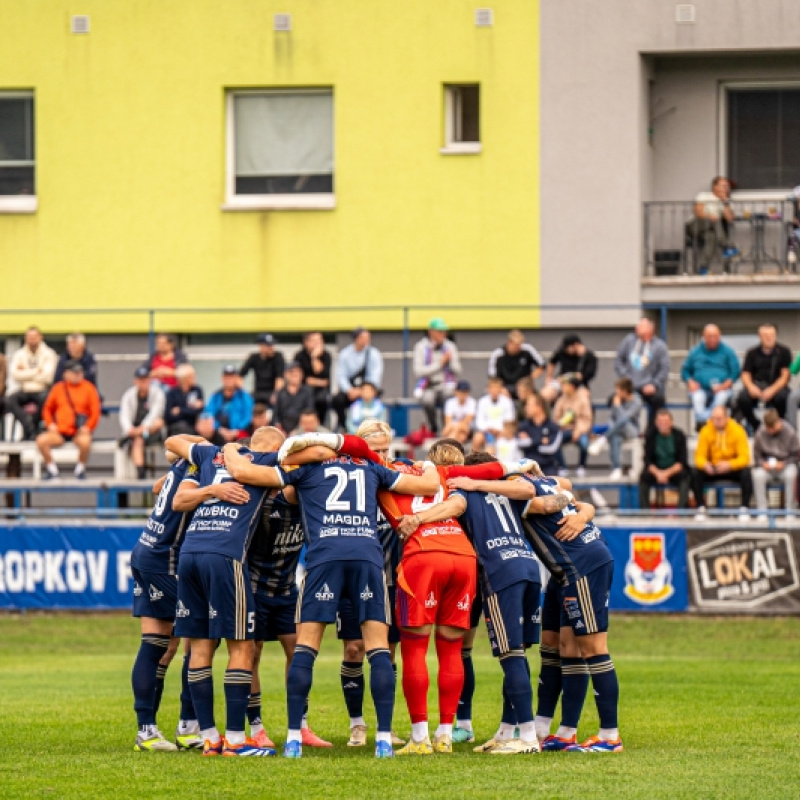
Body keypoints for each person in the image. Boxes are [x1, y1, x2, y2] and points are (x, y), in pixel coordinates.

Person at [222, 431, 442, 759]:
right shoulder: (371, 467)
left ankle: (294, 737)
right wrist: (427, 465)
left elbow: (246, 473)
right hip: (368, 557)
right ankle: (383, 739)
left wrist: (228, 448)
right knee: (379, 650)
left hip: (325, 556)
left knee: (306, 647)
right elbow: (428, 486)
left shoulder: (307, 468)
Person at [396, 455, 577, 756]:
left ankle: (528, 737)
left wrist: (419, 517)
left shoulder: (465, 490)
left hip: (500, 570)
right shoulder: (508, 492)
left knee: (510, 654)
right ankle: (507, 730)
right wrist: (577, 504)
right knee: (518, 652)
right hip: (530, 568)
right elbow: (547, 500)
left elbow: (454, 507)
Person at [444, 471, 622, 754]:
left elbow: (541, 497)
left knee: (593, 647)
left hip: (582, 565)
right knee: (561, 646)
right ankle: (562, 732)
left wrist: (474, 484)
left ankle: (610, 735)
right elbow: (573, 495)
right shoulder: (545, 483)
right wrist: (582, 510)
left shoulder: (520, 490)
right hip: (561, 573)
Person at [167, 428, 288, 757]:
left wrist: (216, 455)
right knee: (242, 648)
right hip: (225, 556)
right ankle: (235, 741)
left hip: (190, 555)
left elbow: (172, 443)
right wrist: (220, 483)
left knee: (200, 647)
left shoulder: (209, 456)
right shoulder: (269, 461)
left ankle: (210, 738)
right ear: (275, 447)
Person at [130, 452, 204, 752]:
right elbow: (176, 500)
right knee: (198, 637)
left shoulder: (184, 464)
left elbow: (157, 487)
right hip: (165, 561)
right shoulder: (204, 467)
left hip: (145, 551)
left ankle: (147, 730)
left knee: (161, 642)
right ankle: (188, 726)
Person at [36, 361, 101, 479]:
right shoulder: (58, 388)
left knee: (86, 442)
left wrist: (88, 427)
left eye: (80, 372)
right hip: (60, 431)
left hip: (79, 431)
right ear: (66, 374)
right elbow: (47, 409)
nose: (78, 374)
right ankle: (52, 470)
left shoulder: (89, 388)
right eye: (74, 372)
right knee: (41, 440)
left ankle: (80, 469)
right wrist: (50, 424)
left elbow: (95, 412)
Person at [692, 405, 753, 521]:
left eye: (719, 418)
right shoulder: (706, 430)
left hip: (732, 467)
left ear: (726, 417)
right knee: (695, 472)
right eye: (713, 418)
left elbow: (745, 458)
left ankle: (744, 508)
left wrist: (730, 464)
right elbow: (699, 456)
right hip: (713, 468)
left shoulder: (738, 430)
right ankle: (700, 507)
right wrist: (705, 464)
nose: (716, 421)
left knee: (747, 472)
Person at [681, 324, 740, 429]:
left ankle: (704, 423)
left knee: (721, 399)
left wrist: (725, 385)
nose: (713, 339)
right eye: (709, 336)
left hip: (722, 388)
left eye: (715, 336)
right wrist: (690, 382)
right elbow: (685, 370)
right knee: (697, 398)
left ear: (719, 336)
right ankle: (708, 423)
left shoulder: (728, 351)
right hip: (700, 388)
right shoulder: (695, 352)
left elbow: (735, 372)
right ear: (703, 336)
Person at [735, 324, 792, 432]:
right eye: (765, 335)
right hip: (756, 385)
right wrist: (751, 387)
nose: (769, 337)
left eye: (772, 335)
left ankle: (778, 426)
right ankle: (756, 426)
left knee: (783, 397)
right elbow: (745, 374)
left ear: (776, 336)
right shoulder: (751, 353)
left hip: (777, 386)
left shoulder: (784, 352)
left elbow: (785, 376)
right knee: (742, 398)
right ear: (759, 337)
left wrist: (772, 390)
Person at [6, 326, 57, 440]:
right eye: (29, 337)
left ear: (40, 337)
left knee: (47, 399)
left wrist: (25, 372)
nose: (32, 339)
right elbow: (15, 375)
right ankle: (31, 429)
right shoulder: (19, 354)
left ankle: (30, 431)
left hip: (41, 389)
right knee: (9, 400)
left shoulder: (49, 353)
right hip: (25, 390)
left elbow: (48, 378)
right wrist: (37, 371)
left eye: (34, 336)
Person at [614, 318, 669, 424]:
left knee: (658, 400)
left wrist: (654, 384)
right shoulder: (629, 340)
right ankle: (628, 430)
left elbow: (664, 368)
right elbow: (618, 361)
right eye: (637, 326)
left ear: (650, 329)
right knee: (614, 399)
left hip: (649, 386)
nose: (637, 328)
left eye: (641, 326)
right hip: (629, 386)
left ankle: (651, 433)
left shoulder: (660, 346)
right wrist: (625, 378)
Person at [413, 318, 461, 433]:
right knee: (428, 400)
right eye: (440, 331)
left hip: (446, 383)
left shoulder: (450, 346)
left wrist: (450, 362)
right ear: (431, 332)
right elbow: (418, 371)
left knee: (448, 397)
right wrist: (440, 364)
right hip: (428, 384)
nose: (443, 334)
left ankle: (446, 427)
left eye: (444, 331)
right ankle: (433, 426)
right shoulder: (421, 347)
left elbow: (458, 370)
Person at [588, 378, 642, 480]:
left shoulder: (637, 401)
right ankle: (617, 468)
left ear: (625, 391)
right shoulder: (616, 398)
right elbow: (612, 418)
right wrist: (613, 424)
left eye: (618, 390)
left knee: (623, 422)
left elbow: (625, 418)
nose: (616, 392)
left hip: (632, 430)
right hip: (617, 430)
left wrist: (618, 406)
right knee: (615, 437)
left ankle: (602, 440)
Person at [332, 328, 384, 431]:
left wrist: (364, 391)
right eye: (363, 337)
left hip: (368, 389)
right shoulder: (345, 354)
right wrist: (349, 390)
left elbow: (375, 376)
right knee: (337, 400)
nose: (366, 340)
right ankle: (346, 427)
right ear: (356, 338)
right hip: (350, 390)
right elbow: (341, 375)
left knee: (373, 398)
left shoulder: (374, 354)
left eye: (368, 337)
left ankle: (371, 428)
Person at [119, 367, 166, 479]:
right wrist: (129, 429)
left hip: (151, 432)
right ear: (135, 381)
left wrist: (142, 428)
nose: (143, 382)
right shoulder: (128, 395)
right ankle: (140, 470)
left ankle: (130, 437)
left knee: (159, 422)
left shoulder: (157, 393)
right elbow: (124, 414)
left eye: (145, 379)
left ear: (149, 380)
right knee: (138, 440)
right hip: (137, 433)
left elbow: (155, 413)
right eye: (140, 379)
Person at [638, 408, 690, 510]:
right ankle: (644, 513)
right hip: (656, 471)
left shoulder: (679, 435)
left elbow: (681, 461)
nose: (663, 424)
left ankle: (681, 512)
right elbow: (647, 460)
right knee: (643, 477)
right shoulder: (651, 436)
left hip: (673, 471)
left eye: (666, 422)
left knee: (686, 477)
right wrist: (658, 473)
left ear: (671, 422)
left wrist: (666, 474)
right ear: (656, 423)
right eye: (660, 422)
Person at [752, 409, 799, 521]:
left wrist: (784, 463)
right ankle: (762, 511)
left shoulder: (790, 432)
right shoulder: (760, 433)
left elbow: (796, 456)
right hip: (767, 468)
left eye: (773, 427)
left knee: (792, 473)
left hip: (785, 466)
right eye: (769, 428)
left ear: (778, 422)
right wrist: (763, 464)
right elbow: (757, 456)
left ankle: (790, 511)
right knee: (757, 475)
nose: (771, 430)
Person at [689, 176, 740, 274]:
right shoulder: (704, 196)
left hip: (710, 229)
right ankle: (727, 246)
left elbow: (730, 219)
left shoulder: (725, 202)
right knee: (715, 219)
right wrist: (709, 217)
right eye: (723, 186)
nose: (726, 188)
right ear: (714, 187)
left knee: (711, 238)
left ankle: (703, 268)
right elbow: (698, 212)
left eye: (727, 186)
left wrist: (725, 202)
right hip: (695, 225)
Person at [197, 365, 254, 445]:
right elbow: (209, 414)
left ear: (236, 378)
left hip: (238, 433)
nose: (229, 380)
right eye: (227, 377)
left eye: (231, 377)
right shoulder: (215, 396)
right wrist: (219, 429)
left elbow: (248, 416)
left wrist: (235, 431)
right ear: (222, 379)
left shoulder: (244, 396)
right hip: (219, 433)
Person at [552, 375, 593, 477]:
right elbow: (556, 417)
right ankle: (562, 467)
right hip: (565, 429)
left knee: (584, 443)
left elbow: (587, 419)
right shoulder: (561, 399)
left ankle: (581, 466)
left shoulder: (583, 400)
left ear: (572, 386)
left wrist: (578, 430)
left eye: (565, 385)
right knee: (554, 441)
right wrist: (560, 425)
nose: (562, 387)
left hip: (580, 430)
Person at [541, 334, 598, 404]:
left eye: (568, 348)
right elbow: (552, 362)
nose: (566, 350)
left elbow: (583, 375)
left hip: (579, 384)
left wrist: (583, 357)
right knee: (544, 394)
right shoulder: (562, 351)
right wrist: (549, 377)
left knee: (584, 396)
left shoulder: (588, 356)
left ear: (575, 346)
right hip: (561, 381)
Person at [487, 330, 545, 398]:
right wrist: (501, 388)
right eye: (515, 345)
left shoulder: (527, 349)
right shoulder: (497, 354)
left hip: (524, 386)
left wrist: (530, 378)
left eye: (519, 345)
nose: (518, 347)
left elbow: (541, 365)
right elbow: (492, 377)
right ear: (509, 343)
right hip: (505, 386)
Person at [517, 393, 562, 477]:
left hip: (548, 468)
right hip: (528, 469)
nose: (526, 408)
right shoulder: (523, 426)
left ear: (539, 407)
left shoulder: (553, 427)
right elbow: (519, 443)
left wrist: (530, 443)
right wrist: (540, 440)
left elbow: (551, 449)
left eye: (529, 405)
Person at [294, 332, 332, 425]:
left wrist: (314, 357)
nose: (318, 343)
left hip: (321, 391)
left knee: (322, 400)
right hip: (302, 389)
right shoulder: (299, 356)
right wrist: (315, 381)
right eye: (315, 341)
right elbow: (301, 378)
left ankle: (320, 425)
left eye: (320, 340)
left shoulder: (326, 356)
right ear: (306, 342)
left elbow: (324, 379)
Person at [239, 334, 285, 406]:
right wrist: (241, 393)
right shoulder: (254, 357)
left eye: (272, 345)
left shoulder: (278, 357)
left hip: (272, 392)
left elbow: (280, 379)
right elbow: (240, 376)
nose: (271, 348)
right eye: (268, 346)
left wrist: (276, 394)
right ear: (261, 346)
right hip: (258, 392)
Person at [472, 376, 516, 452]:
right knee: (477, 438)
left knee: (501, 441)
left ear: (500, 389)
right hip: (486, 431)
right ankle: (473, 461)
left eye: (496, 388)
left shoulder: (507, 402)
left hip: (502, 431)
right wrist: (489, 429)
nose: (494, 390)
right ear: (488, 389)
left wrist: (499, 430)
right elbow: (479, 421)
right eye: (492, 388)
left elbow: (510, 421)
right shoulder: (482, 401)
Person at [272, 362, 315, 435]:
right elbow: (276, 415)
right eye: (292, 372)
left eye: (298, 372)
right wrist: (280, 428)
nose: (295, 374)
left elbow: (309, 412)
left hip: (302, 429)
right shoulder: (280, 393)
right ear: (285, 375)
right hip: (283, 430)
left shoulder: (307, 392)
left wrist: (298, 430)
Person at [164, 364, 205, 436]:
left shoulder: (197, 390)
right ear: (184, 379)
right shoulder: (172, 393)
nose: (195, 378)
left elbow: (199, 411)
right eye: (191, 376)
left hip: (194, 425)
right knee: (181, 427)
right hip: (176, 427)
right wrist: (190, 409)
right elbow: (168, 417)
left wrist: (180, 410)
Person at [442, 380, 476, 444]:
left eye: (465, 392)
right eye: (461, 392)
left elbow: (467, 421)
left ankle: (449, 448)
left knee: (454, 435)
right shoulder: (450, 402)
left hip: (466, 429)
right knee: (459, 437)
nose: (463, 394)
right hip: (453, 429)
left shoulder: (472, 402)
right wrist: (455, 428)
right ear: (456, 392)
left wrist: (455, 427)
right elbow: (448, 421)